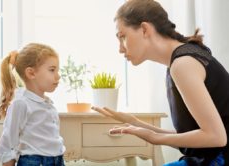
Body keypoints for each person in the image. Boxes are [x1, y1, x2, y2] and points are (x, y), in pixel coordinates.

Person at [92, 0, 229, 165]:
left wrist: (156, 138)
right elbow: (197, 136)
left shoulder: (183, 64)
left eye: (123, 37)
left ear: (144, 29)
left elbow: (216, 137)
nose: (120, 48)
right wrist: (136, 123)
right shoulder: (179, 61)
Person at [0, 43, 65, 166]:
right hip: (34, 162)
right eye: (52, 70)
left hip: (57, 160)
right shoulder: (21, 103)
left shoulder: (48, 104)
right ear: (31, 73)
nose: (58, 76)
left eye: (57, 70)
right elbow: (8, 142)